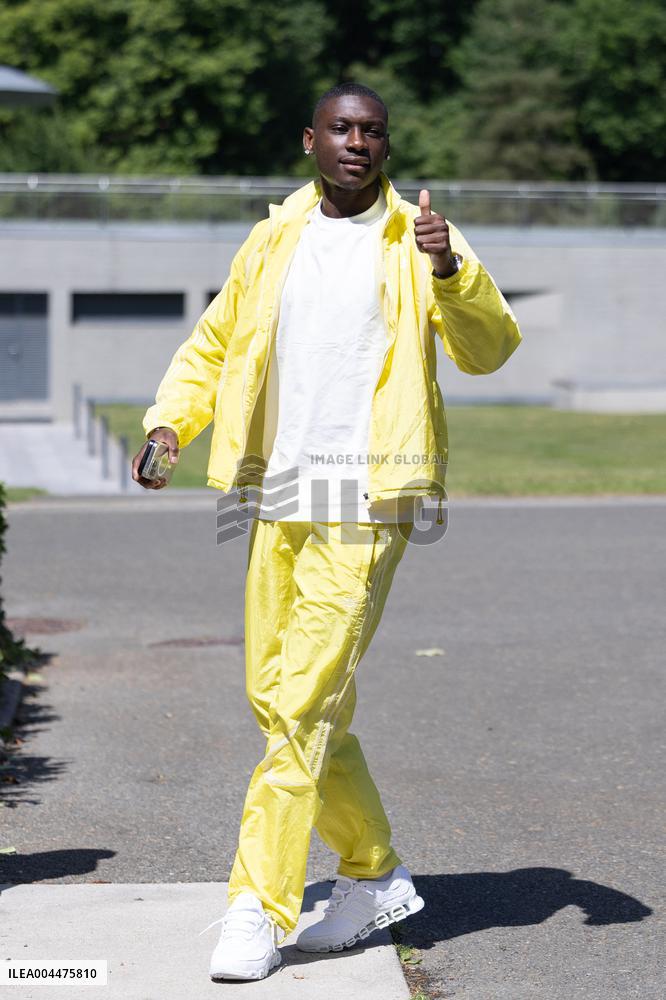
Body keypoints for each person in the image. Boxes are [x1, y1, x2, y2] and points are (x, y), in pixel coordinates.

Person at [132, 82, 522, 982]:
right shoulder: (275, 238)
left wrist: (452, 274)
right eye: (342, 129)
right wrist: (170, 424)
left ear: (387, 146)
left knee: (302, 707)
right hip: (277, 496)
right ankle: (373, 873)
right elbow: (215, 344)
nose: (358, 142)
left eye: (374, 131)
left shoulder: (422, 238)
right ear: (310, 140)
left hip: (371, 501)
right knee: (283, 703)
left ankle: (255, 906)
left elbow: (491, 345)